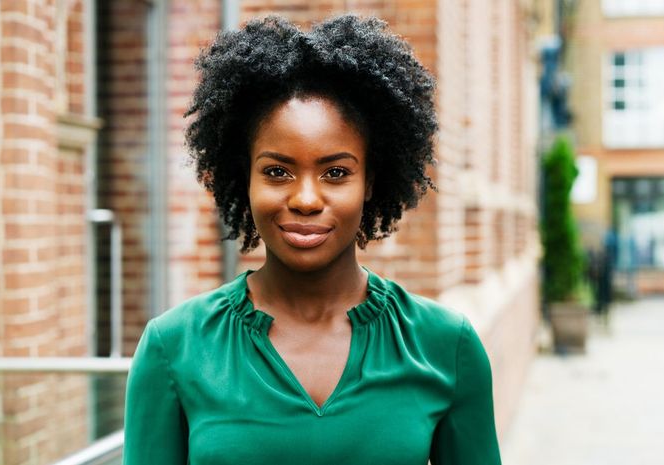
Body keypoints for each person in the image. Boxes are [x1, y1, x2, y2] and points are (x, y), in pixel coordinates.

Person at [123, 14, 501, 465]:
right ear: (244, 179)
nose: (305, 198)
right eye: (277, 171)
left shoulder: (444, 346)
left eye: (336, 173)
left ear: (371, 183)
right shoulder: (174, 347)